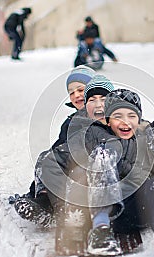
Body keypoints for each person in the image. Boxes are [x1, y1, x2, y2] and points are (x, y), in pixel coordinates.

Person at [42, 88, 154, 257]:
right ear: (108, 120)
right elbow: (49, 162)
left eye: (132, 116)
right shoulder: (90, 138)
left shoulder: (144, 146)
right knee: (102, 155)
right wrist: (62, 205)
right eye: (118, 116)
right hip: (93, 212)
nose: (125, 122)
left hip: (133, 213)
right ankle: (100, 232)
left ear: (139, 120)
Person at [10, 65, 97, 226]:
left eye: (80, 89)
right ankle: (43, 202)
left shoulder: (104, 114)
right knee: (47, 158)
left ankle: (61, 210)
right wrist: (34, 188)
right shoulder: (70, 123)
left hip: (97, 170)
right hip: (70, 172)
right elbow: (55, 153)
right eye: (71, 92)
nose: (76, 95)